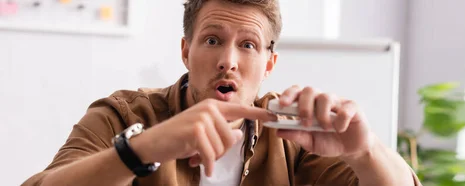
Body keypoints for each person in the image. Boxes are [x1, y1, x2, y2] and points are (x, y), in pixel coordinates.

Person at [23, 0, 421, 185]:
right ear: (186, 51)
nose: (228, 61)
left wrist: (365, 152)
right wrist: (142, 150)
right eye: (212, 40)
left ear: (269, 64)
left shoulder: (295, 135)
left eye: (247, 45)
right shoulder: (124, 114)